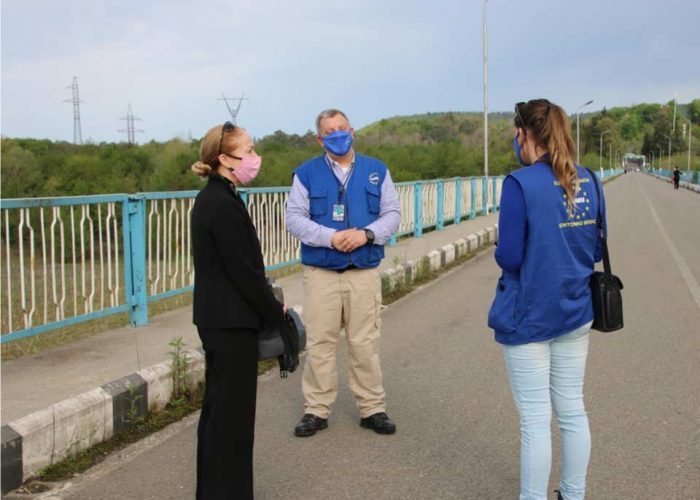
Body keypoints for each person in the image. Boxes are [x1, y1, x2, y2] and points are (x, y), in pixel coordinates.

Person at [488, 99, 606, 500]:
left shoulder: (519, 183)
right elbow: (595, 250)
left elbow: (510, 257)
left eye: (516, 134)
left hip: (530, 316)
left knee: (536, 421)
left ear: (525, 134)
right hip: (576, 311)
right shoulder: (589, 179)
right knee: (572, 410)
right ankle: (572, 494)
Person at [285, 109, 401, 437]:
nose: (338, 135)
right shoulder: (306, 174)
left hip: (363, 271)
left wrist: (366, 234)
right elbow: (294, 218)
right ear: (319, 139)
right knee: (320, 343)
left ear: (352, 131)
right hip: (321, 272)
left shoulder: (377, 170)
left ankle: (372, 408)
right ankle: (316, 410)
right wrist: (330, 237)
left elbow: (393, 213)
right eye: (330, 131)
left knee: (365, 342)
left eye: (342, 128)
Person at [190, 122, 285, 499]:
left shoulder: (215, 198)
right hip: (231, 324)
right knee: (231, 421)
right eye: (248, 151)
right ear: (225, 159)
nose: (255, 157)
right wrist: (275, 313)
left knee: (220, 415)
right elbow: (244, 271)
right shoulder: (222, 204)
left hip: (219, 320)